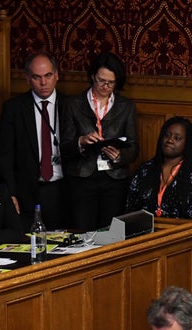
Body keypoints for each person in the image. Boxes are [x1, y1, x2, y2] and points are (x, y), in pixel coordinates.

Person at [60, 51, 139, 231]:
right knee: (82, 233)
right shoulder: (73, 104)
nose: (105, 86)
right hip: (82, 178)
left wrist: (120, 155)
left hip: (114, 179)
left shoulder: (126, 107)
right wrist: (81, 141)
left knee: (111, 234)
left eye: (111, 83)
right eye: (101, 80)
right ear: (92, 76)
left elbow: (134, 147)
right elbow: (64, 147)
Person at [0, 52, 68, 231]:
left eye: (48, 76)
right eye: (36, 77)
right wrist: (10, 193)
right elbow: (6, 155)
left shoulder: (70, 105)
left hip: (63, 189)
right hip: (27, 192)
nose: (43, 83)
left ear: (57, 75)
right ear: (28, 78)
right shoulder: (14, 108)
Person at [126, 116, 192, 222]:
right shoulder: (144, 170)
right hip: (145, 234)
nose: (169, 140)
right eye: (167, 135)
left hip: (182, 235)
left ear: (187, 143)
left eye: (177, 138)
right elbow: (131, 209)